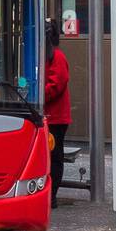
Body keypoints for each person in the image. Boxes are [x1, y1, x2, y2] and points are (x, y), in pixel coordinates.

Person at [45, 19, 71, 208]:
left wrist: (38, 96)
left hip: (55, 116)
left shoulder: (57, 57)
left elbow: (56, 85)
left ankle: (52, 195)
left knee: (54, 156)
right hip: (49, 115)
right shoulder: (49, 55)